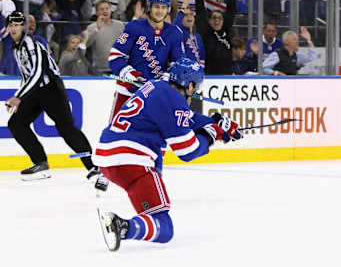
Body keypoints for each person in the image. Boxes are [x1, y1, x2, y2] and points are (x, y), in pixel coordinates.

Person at [94, 58, 243, 251]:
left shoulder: (157, 87)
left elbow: (187, 117)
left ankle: (127, 224)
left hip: (107, 159)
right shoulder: (173, 98)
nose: (195, 92)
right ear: (189, 85)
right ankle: (123, 226)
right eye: (195, 87)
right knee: (164, 228)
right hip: (132, 160)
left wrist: (213, 123)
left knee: (155, 207)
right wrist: (210, 136)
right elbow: (187, 150)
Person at [4, 11, 99, 181]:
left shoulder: (30, 44)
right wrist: (22, 95)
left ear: (23, 27)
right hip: (36, 92)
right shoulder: (16, 48)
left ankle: (93, 166)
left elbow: (38, 72)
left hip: (51, 90)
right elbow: (27, 76)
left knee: (66, 129)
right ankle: (40, 163)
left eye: (17, 25)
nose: (14, 28)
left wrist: (18, 96)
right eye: (11, 25)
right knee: (16, 123)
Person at [108, 0, 186, 120]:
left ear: (168, 10)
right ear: (150, 8)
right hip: (129, 92)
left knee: (153, 136)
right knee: (115, 132)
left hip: (156, 93)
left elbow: (179, 62)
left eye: (163, 7)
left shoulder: (174, 33)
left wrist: (169, 76)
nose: (159, 11)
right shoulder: (134, 27)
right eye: (156, 6)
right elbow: (115, 56)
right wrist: (129, 74)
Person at [195, 0, 236, 75]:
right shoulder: (206, 33)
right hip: (210, 77)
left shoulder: (226, 32)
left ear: (223, 20)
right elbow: (200, 13)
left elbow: (230, 12)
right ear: (209, 21)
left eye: (219, 18)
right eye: (214, 18)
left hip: (227, 77)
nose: (217, 20)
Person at [86, 0, 125, 75]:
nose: (105, 11)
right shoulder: (92, 27)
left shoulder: (120, 25)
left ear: (110, 10)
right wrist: (97, 29)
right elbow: (86, 44)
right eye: (101, 9)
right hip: (100, 70)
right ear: (97, 12)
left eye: (107, 8)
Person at [172, 0, 205, 67]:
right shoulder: (179, 33)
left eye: (191, 14)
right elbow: (174, 27)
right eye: (185, 15)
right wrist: (183, 8)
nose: (189, 17)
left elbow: (202, 57)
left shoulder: (198, 36)